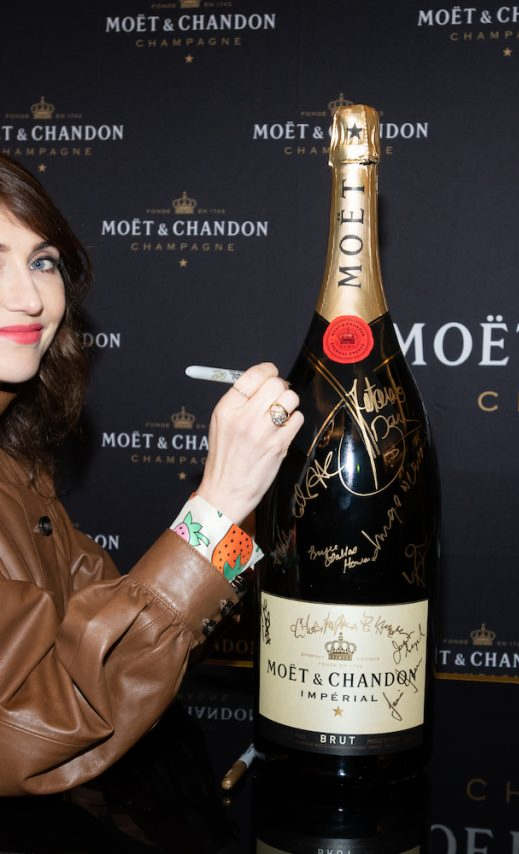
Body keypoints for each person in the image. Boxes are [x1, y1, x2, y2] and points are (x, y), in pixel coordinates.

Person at [0, 153, 302, 796]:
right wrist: (218, 507)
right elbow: (32, 731)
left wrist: (231, 522)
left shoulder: (16, 464)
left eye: (42, 261)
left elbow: (128, 644)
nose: (29, 298)